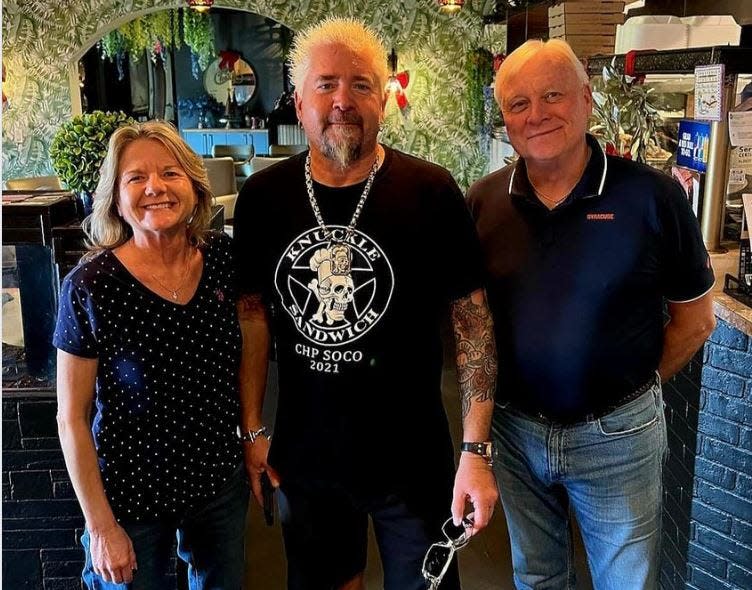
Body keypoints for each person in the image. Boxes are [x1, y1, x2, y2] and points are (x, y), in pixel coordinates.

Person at [233, 17, 498, 590]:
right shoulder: (263, 197)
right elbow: (251, 317)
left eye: (359, 84)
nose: (342, 101)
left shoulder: (431, 190)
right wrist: (253, 427)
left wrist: (476, 449)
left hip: (414, 458)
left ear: (384, 98)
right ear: (298, 100)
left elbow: (473, 322)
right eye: (325, 84)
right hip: (308, 457)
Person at [467, 39, 716, 590]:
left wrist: (633, 391)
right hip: (515, 434)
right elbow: (473, 328)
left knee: (624, 582)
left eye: (553, 95)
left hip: (618, 437)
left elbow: (696, 321)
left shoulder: (651, 197)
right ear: (505, 118)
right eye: (519, 104)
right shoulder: (483, 204)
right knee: (536, 577)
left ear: (586, 100)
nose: (537, 115)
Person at [54, 121, 249, 589]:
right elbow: (71, 418)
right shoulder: (90, 286)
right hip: (127, 497)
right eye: (135, 178)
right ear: (116, 197)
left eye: (170, 173)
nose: (155, 188)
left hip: (216, 483)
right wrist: (100, 526)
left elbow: (251, 342)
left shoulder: (223, 258)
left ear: (195, 188)